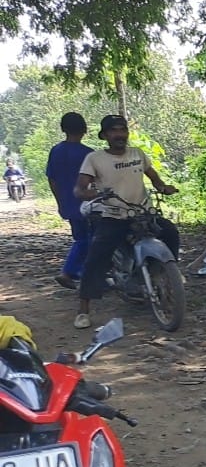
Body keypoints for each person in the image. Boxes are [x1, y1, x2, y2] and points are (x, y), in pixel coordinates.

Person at [72, 115, 180, 330]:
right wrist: (91, 193)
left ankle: (168, 275)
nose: (119, 134)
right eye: (114, 131)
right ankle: (83, 309)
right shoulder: (94, 159)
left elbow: (152, 176)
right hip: (114, 215)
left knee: (170, 232)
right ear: (105, 135)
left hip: (143, 212)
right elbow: (79, 189)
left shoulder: (137, 154)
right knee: (96, 257)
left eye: (123, 130)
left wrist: (163, 187)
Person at [46, 113, 95, 290]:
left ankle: (82, 271)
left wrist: (60, 202)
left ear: (63, 129)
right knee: (88, 240)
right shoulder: (88, 154)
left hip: (68, 201)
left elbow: (52, 179)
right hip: (87, 202)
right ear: (84, 129)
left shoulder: (56, 151)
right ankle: (68, 272)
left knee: (81, 237)